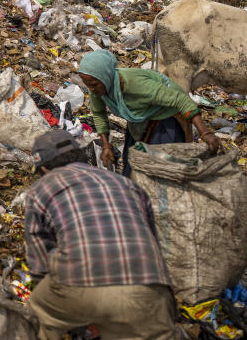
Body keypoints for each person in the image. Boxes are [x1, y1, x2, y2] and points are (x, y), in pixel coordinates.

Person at [24, 130, 176, 340]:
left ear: (44, 168)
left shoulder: (41, 189)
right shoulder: (126, 183)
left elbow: (39, 261)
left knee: (37, 311)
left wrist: (50, 289)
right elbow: (154, 242)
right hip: (147, 288)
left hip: (79, 286)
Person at [78, 49, 220, 175]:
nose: (92, 89)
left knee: (161, 170)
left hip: (165, 120)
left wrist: (205, 133)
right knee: (132, 167)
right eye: (88, 85)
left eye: (94, 84)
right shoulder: (100, 90)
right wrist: (106, 146)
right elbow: (98, 114)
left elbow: (181, 100)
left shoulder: (135, 84)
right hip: (139, 122)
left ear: (106, 76)